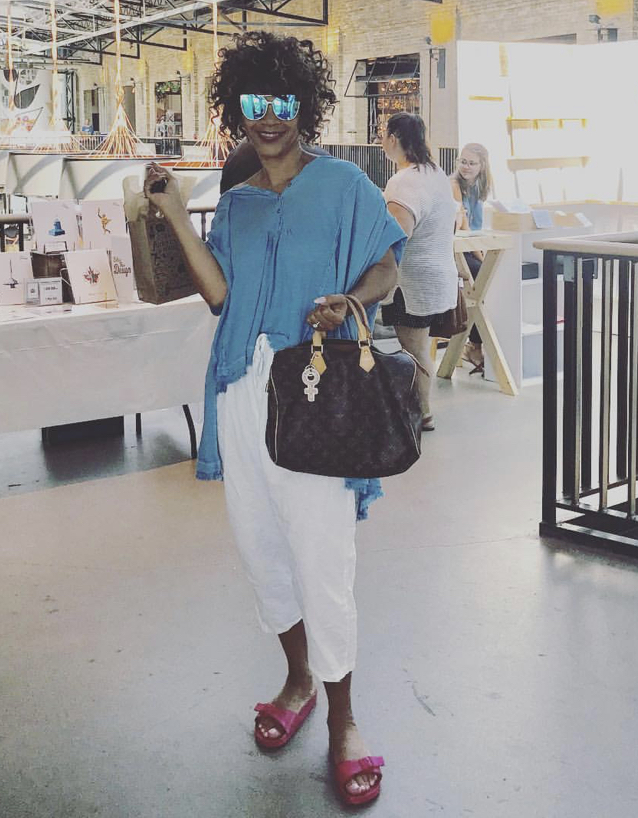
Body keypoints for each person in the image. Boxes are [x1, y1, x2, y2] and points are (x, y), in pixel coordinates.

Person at [143, 31, 405, 807]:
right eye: (253, 101)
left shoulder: (345, 185)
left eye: (282, 100)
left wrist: (352, 299)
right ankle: (298, 679)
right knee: (262, 553)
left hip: (315, 389)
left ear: (305, 104)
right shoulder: (238, 200)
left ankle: (344, 720)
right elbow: (220, 295)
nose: (267, 116)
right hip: (239, 387)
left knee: (323, 559)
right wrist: (173, 213)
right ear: (236, 107)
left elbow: (387, 263)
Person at [380, 112, 458, 431]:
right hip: (438, 277)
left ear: (393, 139)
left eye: (383, 136)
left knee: (413, 351)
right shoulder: (436, 173)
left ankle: (421, 412)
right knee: (420, 348)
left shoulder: (404, 181)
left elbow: (397, 235)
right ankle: (419, 409)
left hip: (411, 284)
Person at [450, 143, 492, 374]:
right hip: (459, 248)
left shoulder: (480, 187)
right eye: (462, 161)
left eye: (471, 163)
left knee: (491, 277)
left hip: (474, 246)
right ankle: (474, 345)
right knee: (481, 277)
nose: (465, 167)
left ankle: (477, 344)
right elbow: (464, 227)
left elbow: (478, 226)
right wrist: (483, 256)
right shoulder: (454, 185)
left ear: (482, 166)